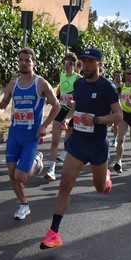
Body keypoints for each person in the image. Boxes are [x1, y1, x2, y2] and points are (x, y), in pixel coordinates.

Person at [40, 48, 122, 249]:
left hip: (97, 145)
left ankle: (106, 176)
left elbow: (118, 115)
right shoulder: (79, 84)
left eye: (90, 62)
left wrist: (97, 119)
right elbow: (77, 105)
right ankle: (54, 233)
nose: (85, 65)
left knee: (100, 188)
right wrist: (68, 119)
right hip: (78, 142)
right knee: (65, 184)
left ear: (99, 65)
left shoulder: (107, 87)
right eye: (84, 62)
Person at [0, 47, 60, 220]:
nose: (24, 63)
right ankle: (24, 205)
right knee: (12, 173)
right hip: (14, 134)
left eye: (28, 60)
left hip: (31, 136)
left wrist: (45, 125)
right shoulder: (13, 83)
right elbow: (3, 105)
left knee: (20, 176)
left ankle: (36, 161)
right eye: (21, 60)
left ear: (34, 62)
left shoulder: (41, 83)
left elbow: (56, 106)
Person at [45, 52, 81, 181]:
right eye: (65, 63)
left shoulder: (78, 79)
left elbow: (80, 98)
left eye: (70, 63)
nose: (67, 66)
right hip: (61, 111)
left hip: (72, 113)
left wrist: (74, 102)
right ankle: (51, 169)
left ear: (74, 65)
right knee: (55, 141)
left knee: (68, 142)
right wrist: (51, 99)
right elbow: (60, 93)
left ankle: (67, 158)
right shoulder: (62, 76)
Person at [110, 69, 123, 147]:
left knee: (116, 124)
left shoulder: (123, 86)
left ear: (121, 77)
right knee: (109, 123)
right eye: (116, 76)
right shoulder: (111, 85)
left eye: (119, 76)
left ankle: (114, 139)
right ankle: (112, 127)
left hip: (119, 107)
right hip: (110, 106)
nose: (117, 77)